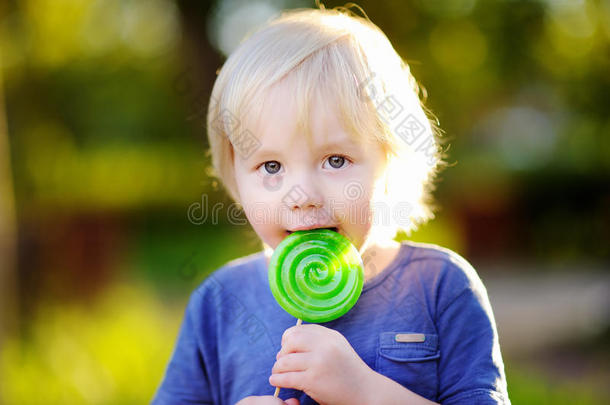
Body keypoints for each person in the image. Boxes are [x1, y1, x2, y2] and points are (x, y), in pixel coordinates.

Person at [152, 4, 510, 405]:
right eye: (271, 165)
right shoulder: (219, 302)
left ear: (392, 162)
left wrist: (366, 392)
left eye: (335, 160)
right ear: (235, 175)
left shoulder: (440, 287)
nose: (302, 196)